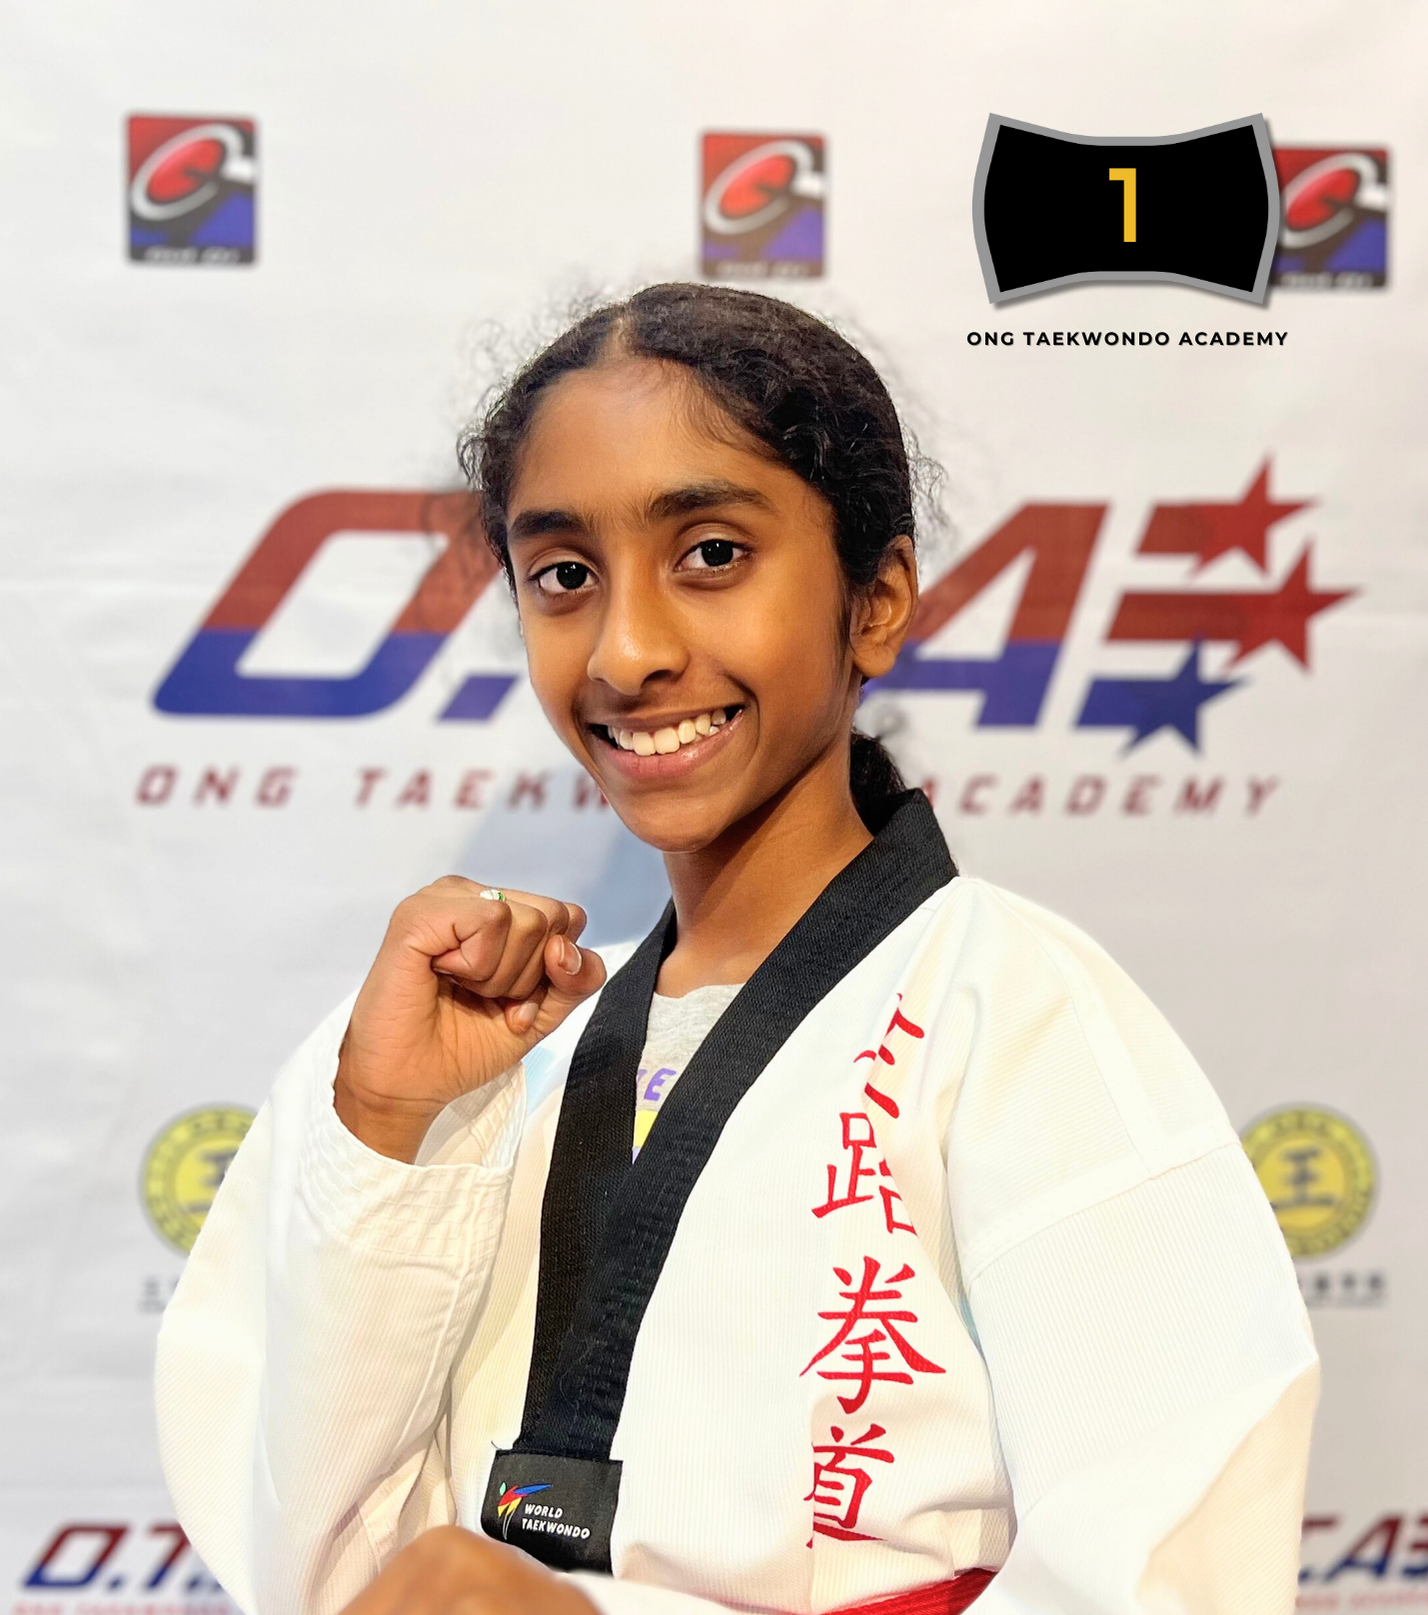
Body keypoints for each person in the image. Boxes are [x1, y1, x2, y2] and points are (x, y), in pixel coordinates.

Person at [155, 283, 1318, 1615]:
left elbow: (1170, 1574)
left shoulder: (1019, 1012)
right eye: (565, 575)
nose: (629, 650)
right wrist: (385, 1121)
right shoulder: (454, 1043)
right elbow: (312, 1564)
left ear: (876, 603)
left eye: (711, 552)